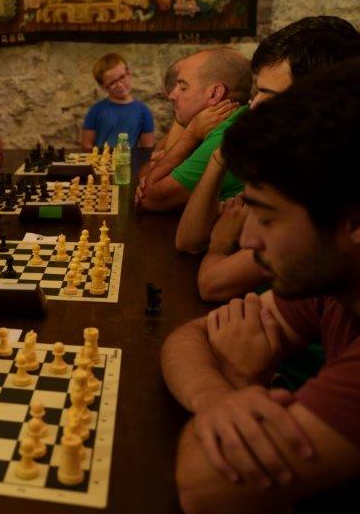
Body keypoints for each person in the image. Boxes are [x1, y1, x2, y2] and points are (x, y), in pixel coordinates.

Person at [160, 60, 360, 514]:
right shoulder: (332, 282)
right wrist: (218, 399)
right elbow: (191, 336)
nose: (248, 240)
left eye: (267, 218)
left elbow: (203, 487)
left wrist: (239, 379)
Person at [176, 18, 360, 303]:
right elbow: (188, 240)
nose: (255, 105)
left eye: (269, 95)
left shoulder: (320, 178)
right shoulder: (278, 155)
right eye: (257, 91)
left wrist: (220, 244)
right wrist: (219, 158)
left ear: (319, 98)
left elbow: (213, 284)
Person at [135, 47, 252, 212]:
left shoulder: (227, 136)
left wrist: (189, 136)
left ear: (214, 93)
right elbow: (150, 168)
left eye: (183, 87)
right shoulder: (216, 123)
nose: (172, 95)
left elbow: (149, 199)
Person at [80, 52, 154, 151]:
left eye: (122, 77)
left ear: (129, 73)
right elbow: (86, 145)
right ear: (103, 87)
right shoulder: (96, 111)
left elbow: (147, 150)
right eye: (112, 83)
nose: (119, 85)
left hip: (130, 160)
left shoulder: (143, 111)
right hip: (102, 160)